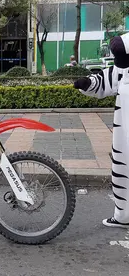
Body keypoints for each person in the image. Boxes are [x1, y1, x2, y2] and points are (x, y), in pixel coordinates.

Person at [73, 32, 129, 228]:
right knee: (121, 170)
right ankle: (123, 215)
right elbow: (107, 80)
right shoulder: (123, 71)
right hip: (124, 135)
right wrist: (88, 83)